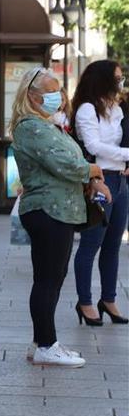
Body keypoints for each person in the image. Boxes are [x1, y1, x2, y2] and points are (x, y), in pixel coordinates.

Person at [10, 66, 110, 367]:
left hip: (58, 209)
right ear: (32, 95)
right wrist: (92, 170)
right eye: (51, 91)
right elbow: (66, 163)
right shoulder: (31, 126)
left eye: (59, 89)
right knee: (48, 280)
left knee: (50, 278)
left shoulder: (45, 124)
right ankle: (46, 344)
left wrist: (88, 174)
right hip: (48, 210)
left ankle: (43, 341)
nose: (59, 96)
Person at [71, 60, 129, 326]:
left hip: (120, 181)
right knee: (91, 244)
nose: (121, 82)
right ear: (104, 79)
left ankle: (109, 299)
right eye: (117, 78)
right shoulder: (87, 109)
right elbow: (93, 144)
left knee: (113, 245)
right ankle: (84, 302)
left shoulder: (115, 108)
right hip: (98, 180)